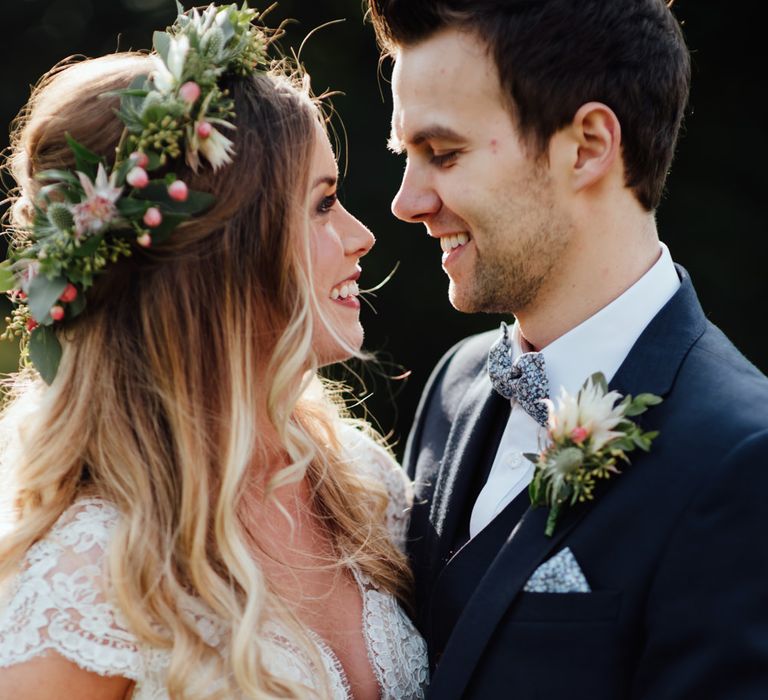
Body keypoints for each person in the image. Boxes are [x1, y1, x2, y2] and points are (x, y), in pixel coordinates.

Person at [0, 4, 427, 699]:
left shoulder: (360, 484)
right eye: (321, 205)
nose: (361, 237)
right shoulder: (90, 576)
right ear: (222, 259)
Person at [367, 0, 768, 698]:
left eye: (444, 153)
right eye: (408, 156)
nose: (407, 201)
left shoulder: (742, 460)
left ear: (587, 146)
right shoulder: (454, 385)